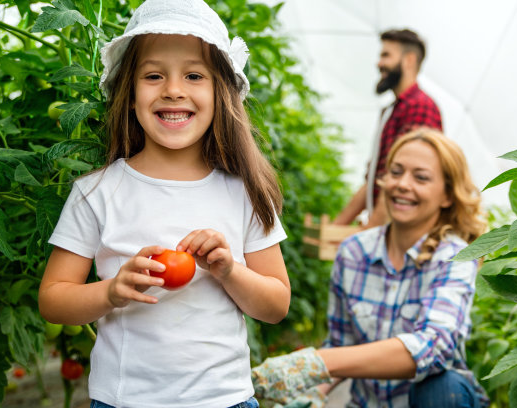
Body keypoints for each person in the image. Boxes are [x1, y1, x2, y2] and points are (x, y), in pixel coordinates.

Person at [38, 1, 291, 407]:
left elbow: (276, 305)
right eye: (154, 75)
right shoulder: (97, 192)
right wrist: (112, 291)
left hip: (225, 400)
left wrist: (230, 270)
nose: (173, 89)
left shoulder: (243, 191)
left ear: (219, 92)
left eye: (194, 75)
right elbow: (53, 299)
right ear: (130, 93)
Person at [252, 128, 489, 408]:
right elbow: (342, 345)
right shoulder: (354, 253)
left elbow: (434, 345)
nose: (402, 184)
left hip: (431, 402)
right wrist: (311, 391)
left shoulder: (455, 256)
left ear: (448, 195)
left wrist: (315, 362)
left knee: (442, 387)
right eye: (396, 172)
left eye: (420, 177)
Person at [334, 29, 443, 228]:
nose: (379, 63)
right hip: (387, 228)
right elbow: (376, 179)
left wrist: (372, 234)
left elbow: (404, 179)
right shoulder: (393, 110)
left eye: (386, 55)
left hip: (401, 231)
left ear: (409, 60)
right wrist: (337, 228)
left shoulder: (420, 106)